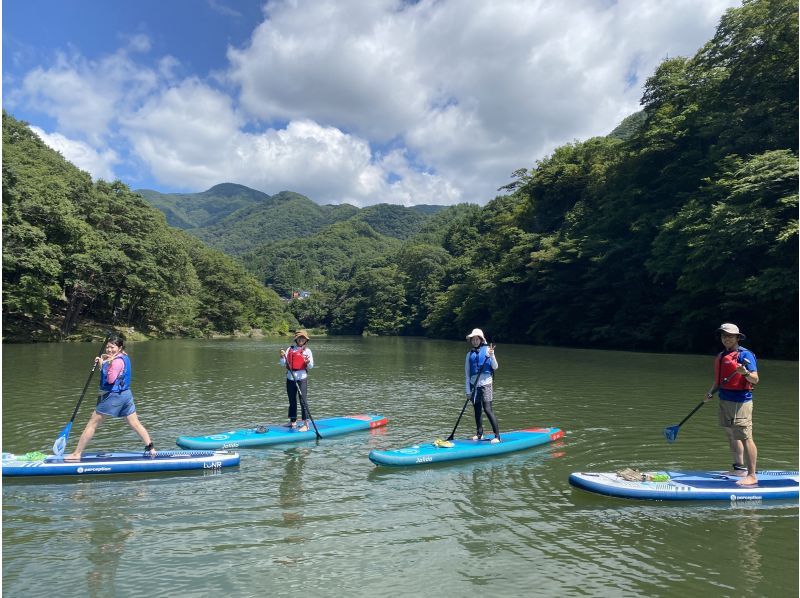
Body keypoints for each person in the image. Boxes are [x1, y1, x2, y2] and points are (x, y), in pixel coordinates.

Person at [65, 335, 155, 460]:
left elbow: (111, 379)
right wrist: (107, 361)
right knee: (135, 423)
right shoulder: (124, 356)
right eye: (107, 347)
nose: (109, 350)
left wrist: (103, 365)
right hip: (126, 396)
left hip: (113, 397)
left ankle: (76, 454)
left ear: (120, 347)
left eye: (112, 347)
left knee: (92, 424)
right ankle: (151, 448)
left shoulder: (117, 361)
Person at [703, 323, 759, 486]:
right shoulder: (722, 355)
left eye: (730, 336)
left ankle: (752, 475)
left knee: (746, 437)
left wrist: (746, 373)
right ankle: (738, 468)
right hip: (724, 400)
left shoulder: (744, 355)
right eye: (723, 336)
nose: (726, 338)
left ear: (737, 338)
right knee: (732, 435)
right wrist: (710, 392)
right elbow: (719, 380)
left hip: (740, 402)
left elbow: (755, 379)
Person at [465, 328, 500, 443]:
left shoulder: (487, 351)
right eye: (473, 339)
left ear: (481, 340)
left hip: (486, 384)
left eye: (477, 339)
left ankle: (497, 436)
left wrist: (492, 355)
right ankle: (479, 434)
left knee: (487, 409)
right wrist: (468, 391)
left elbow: (495, 367)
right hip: (474, 386)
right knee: (477, 410)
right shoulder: (469, 355)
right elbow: (467, 375)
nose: (475, 341)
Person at [279, 330, 314, 432]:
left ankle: (306, 424)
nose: (301, 340)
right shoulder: (290, 349)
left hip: (301, 378)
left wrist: (307, 362)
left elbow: (311, 366)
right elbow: (282, 363)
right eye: (299, 338)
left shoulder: (307, 351)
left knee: (303, 401)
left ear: (305, 340)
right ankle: (292, 422)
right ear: (296, 339)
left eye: (303, 338)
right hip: (290, 378)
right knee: (292, 401)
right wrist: (282, 357)